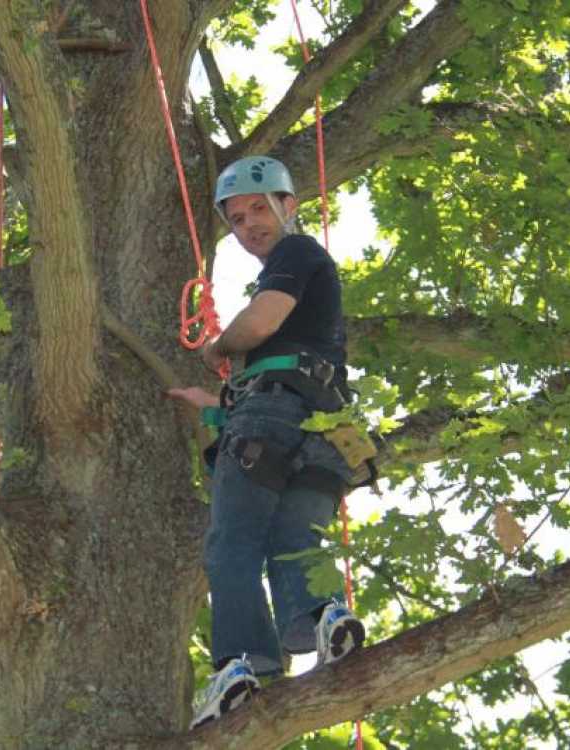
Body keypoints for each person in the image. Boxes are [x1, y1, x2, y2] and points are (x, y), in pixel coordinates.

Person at [168, 156, 367, 730]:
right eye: (236, 218)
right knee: (294, 537)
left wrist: (219, 348)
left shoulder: (295, 254)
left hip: (275, 414)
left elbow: (260, 325)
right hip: (324, 428)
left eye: (260, 208)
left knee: (232, 541)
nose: (249, 224)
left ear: (289, 205)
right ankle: (325, 618)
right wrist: (217, 404)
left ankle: (241, 662)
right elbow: (287, 368)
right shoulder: (305, 277)